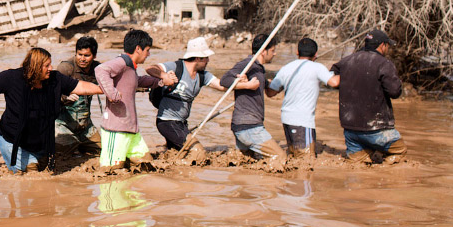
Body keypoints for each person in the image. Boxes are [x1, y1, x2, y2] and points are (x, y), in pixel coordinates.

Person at [0, 47, 101, 173]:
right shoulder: (12, 78)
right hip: (13, 140)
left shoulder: (55, 79)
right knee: (31, 174)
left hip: (41, 142)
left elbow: (81, 86)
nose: (51, 68)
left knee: (46, 171)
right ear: (36, 67)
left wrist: (104, 90)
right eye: (47, 65)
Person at [94, 29, 166, 173]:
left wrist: (160, 82)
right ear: (138, 49)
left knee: (147, 164)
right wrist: (112, 94)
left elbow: (138, 81)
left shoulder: (130, 68)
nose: (149, 54)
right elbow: (100, 70)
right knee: (111, 170)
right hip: (116, 129)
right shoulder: (122, 62)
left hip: (131, 129)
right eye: (147, 50)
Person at [330, 29, 405, 163]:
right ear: (383, 45)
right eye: (387, 45)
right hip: (377, 129)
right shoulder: (384, 64)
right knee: (400, 151)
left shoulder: (346, 61)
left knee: (359, 163)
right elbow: (395, 92)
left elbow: (331, 79)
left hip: (350, 130)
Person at [144, 36, 227, 157]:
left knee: (177, 154)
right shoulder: (177, 67)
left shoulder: (203, 76)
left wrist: (244, 84)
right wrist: (164, 76)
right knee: (199, 152)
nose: (208, 60)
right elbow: (150, 68)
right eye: (206, 58)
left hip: (181, 124)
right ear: (198, 58)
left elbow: (221, 85)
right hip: (167, 122)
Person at [265, 37, 340, 159]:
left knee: (294, 155)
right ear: (315, 54)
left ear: (297, 53)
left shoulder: (286, 68)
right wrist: (348, 71)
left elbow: (270, 93)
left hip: (286, 118)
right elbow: (334, 83)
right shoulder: (317, 67)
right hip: (303, 121)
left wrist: (267, 82)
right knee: (306, 159)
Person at [220, 34, 287, 170]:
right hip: (249, 126)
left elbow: (268, 89)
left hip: (244, 125)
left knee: (246, 165)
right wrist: (246, 85)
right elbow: (224, 80)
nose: (275, 54)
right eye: (273, 50)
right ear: (264, 51)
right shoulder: (247, 64)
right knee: (280, 157)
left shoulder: (259, 68)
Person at [55, 36, 103, 155]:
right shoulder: (65, 68)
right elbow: (49, 94)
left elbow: (116, 83)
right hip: (62, 123)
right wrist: (64, 97)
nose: (82, 59)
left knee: (103, 151)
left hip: (85, 126)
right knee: (65, 148)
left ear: (94, 55)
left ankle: (81, 144)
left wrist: (144, 87)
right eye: (79, 54)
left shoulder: (98, 69)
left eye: (86, 56)